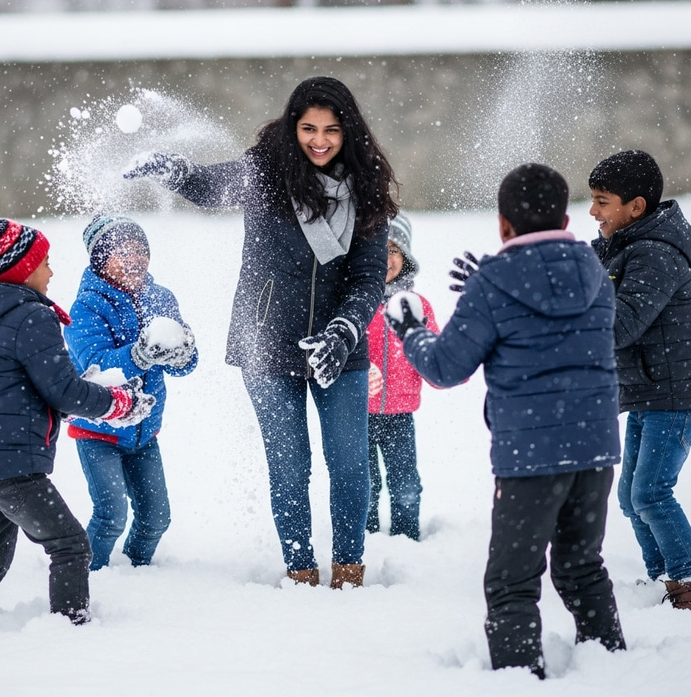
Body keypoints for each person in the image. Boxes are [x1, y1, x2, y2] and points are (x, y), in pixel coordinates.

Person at [124, 76, 398, 588]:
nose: (319, 140)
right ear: (293, 126)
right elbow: (208, 186)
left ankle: (348, 572)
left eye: (332, 130)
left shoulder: (366, 190)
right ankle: (300, 571)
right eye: (309, 128)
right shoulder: (266, 173)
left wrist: (343, 333)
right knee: (290, 466)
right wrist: (172, 170)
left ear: (349, 132)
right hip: (267, 344)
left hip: (341, 348)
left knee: (349, 465)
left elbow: (366, 280)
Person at [386, 164, 625, 678]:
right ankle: (612, 671)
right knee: (582, 567)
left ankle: (518, 680)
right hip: (596, 448)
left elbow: (446, 367)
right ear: (566, 216)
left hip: (530, 458)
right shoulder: (593, 270)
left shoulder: (493, 284)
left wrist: (410, 330)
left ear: (502, 225)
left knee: (511, 581)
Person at [0, 212, 154, 625]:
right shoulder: (31, 316)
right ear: (23, 269)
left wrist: (84, 393)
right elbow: (62, 390)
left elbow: (32, 390)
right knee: (71, 546)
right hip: (11, 464)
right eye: (45, 262)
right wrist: (116, 403)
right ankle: (69, 630)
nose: (52, 272)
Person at [64, 214, 198, 571]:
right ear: (100, 260)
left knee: (157, 518)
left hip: (144, 433)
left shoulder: (161, 298)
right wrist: (139, 354)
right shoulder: (86, 308)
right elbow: (97, 367)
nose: (135, 258)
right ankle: (84, 576)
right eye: (122, 251)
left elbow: (183, 364)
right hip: (99, 431)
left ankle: (136, 573)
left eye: (141, 250)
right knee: (110, 517)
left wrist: (184, 353)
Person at [589, 149, 691, 610]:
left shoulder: (656, 254)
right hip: (650, 391)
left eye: (602, 201)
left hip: (676, 394)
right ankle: (662, 579)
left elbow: (622, 324)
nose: (592, 211)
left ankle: (686, 581)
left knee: (650, 492)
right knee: (633, 499)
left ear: (636, 207)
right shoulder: (626, 246)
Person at [365, 213, 439, 540]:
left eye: (393, 250)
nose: (385, 257)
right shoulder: (356, 301)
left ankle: (407, 541)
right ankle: (361, 538)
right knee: (362, 482)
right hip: (357, 412)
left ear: (405, 258)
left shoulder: (417, 306)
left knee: (405, 481)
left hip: (400, 413)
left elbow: (436, 357)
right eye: (378, 247)